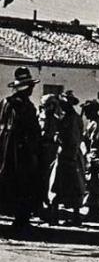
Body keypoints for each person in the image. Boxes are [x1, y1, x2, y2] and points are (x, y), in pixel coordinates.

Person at [0, 67, 41, 230]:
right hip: (20, 150)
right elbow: (29, 129)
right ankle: (21, 218)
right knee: (23, 182)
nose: (32, 89)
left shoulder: (5, 102)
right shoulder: (24, 106)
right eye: (30, 86)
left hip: (4, 147)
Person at [48, 91, 86, 226]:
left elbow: (67, 138)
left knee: (58, 186)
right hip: (72, 156)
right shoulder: (74, 119)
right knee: (73, 187)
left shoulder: (68, 120)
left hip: (66, 156)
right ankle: (74, 216)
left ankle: (55, 217)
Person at [36, 94, 63, 216]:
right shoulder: (39, 117)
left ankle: (46, 201)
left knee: (49, 177)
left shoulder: (56, 120)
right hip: (39, 149)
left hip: (51, 150)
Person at [81, 99, 99, 221]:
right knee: (91, 184)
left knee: (94, 184)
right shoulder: (92, 123)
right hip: (91, 154)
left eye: (87, 111)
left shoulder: (97, 124)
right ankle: (92, 211)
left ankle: (94, 212)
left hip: (96, 155)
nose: (85, 114)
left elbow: (96, 142)